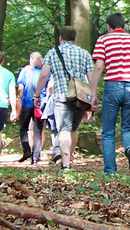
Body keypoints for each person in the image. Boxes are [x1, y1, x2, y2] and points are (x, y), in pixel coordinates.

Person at [90, 13, 130, 176]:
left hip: (113, 86)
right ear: (124, 26)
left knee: (108, 131)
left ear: (108, 26)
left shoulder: (104, 40)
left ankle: (110, 171)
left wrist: (93, 93)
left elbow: (98, 67)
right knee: (128, 128)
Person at [35, 27, 94, 171]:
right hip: (80, 97)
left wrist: (37, 95)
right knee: (73, 128)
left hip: (61, 95)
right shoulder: (84, 53)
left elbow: (44, 75)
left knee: (63, 129)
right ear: (74, 39)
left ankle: (66, 162)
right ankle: (69, 158)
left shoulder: (53, 53)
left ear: (61, 38)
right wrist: (93, 97)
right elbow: (91, 76)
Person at [15, 52, 44, 163]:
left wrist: (20, 101)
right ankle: (35, 157)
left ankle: (26, 150)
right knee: (38, 131)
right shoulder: (44, 72)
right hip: (39, 105)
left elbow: (20, 89)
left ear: (32, 59)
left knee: (23, 128)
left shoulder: (25, 71)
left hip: (27, 103)